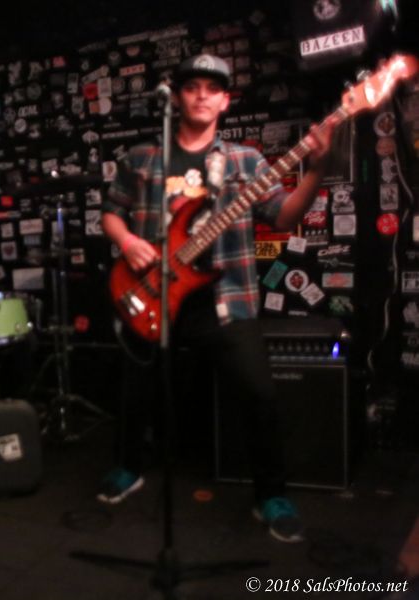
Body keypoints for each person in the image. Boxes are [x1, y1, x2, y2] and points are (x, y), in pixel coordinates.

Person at [100, 54, 335, 543]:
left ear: (226, 101)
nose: (202, 95)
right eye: (192, 87)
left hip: (225, 299)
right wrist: (127, 241)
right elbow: (111, 212)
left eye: (213, 88)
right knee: (134, 389)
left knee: (260, 395)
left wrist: (315, 169)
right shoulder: (141, 157)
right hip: (153, 292)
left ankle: (271, 495)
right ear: (177, 96)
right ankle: (129, 466)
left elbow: (285, 216)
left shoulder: (245, 161)